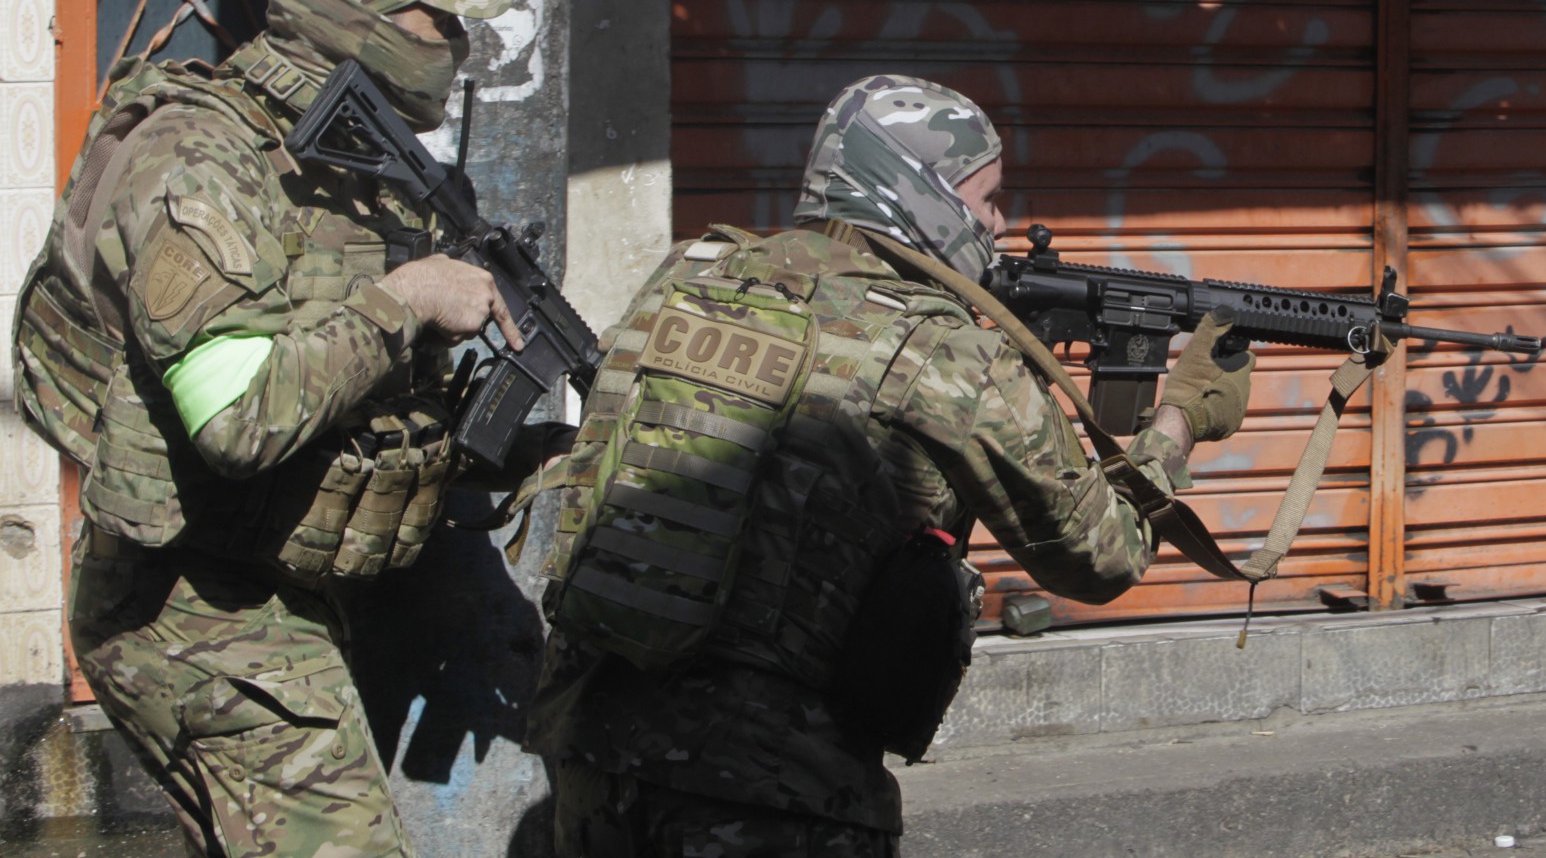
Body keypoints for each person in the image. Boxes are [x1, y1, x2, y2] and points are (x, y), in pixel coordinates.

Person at [529, 73, 1255, 857]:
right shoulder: (948, 353)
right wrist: (1179, 421)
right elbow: (1098, 558)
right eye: (988, 198)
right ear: (919, 192)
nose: (1002, 223)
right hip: (775, 789)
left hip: (594, 752)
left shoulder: (689, 276)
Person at [11, 0, 525, 858]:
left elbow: (360, 391)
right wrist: (406, 299)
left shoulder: (352, 161)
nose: (456, 44)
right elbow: (238, 417)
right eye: (436, 21)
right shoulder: (198, 160)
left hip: (292, 582)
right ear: (354, 25)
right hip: (192, 606)